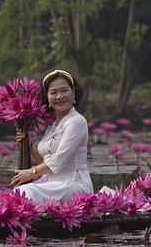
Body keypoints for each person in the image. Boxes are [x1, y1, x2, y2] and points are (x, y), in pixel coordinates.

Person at [10, 70, 93, 204]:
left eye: (64, 90)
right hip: (52, 183)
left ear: (74, 93)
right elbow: (45, 162)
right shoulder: (52, 126)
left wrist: (30, 173)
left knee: (26, 193)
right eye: (53, 92)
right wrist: (29, 144)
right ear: (47, 98)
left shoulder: (77, 121)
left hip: (74, 185)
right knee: (17, 193)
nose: (59, 96)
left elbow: (59, 161)